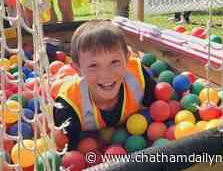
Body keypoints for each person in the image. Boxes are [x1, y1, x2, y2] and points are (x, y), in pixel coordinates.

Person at [53, 20, 157, 148]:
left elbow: (157, 111)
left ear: (127, 58)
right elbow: (71, 153)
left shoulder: (139, 77)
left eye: (114, 62)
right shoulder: (68, 107)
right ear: (78, 69)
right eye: (93, 65)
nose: (106, 74)